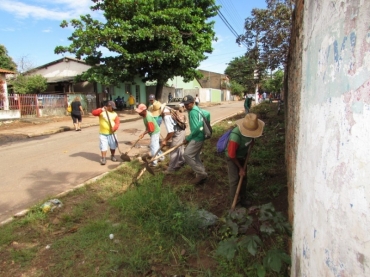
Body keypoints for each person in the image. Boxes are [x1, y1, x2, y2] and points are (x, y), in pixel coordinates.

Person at [225, 113, 264, 207]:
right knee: (234, 180)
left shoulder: (251, 128)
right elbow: (231, 155)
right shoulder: (235, 137)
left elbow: (251, 136)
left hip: (243, 156)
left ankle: (243, 198)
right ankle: (235, 203)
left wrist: (252, 141)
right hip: (233, 158)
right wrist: (240, 168)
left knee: (244, 178)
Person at [181, 95, 210, 185]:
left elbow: (198, 128)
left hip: (197, 137)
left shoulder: (193, 112)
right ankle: (201, 172)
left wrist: (188, 138)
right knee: (195, 156)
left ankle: (201, 174)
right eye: (185, 104)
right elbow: (208, 114)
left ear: (193, 102)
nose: (186, 106)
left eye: (188, 104)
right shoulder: (198, 109)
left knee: (187, 155)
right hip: (200, 136)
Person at [160, 103, 186, 174]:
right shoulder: (168, 109)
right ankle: (182, 161)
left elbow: (171, 132)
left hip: (178, 132)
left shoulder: (166, 116)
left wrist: (165, 140)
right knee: (180, 147)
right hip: (182, 130)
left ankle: (171, 169)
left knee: (173, 150)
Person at [92, 101, 120, 165]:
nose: (112, 108)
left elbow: (117, 122)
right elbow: (94, 113)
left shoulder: (114, 114)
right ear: (108, 106)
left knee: (113, 146)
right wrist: (101, 109)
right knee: (103, 146)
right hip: (103, 133)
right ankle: (103, 158)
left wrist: (115, 127)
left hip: (112, 133)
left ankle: (112, 156)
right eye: (111, 107)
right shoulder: (102, 112)